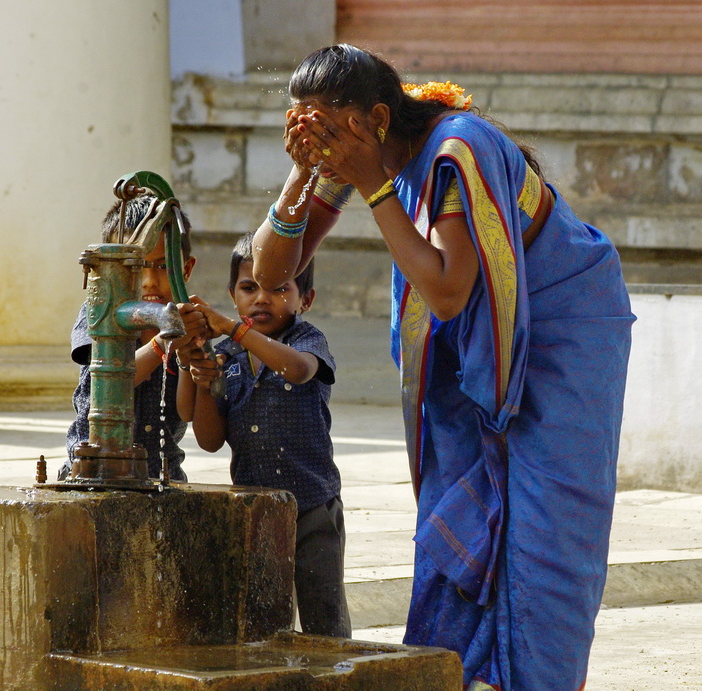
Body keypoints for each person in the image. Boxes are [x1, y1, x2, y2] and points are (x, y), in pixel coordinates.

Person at [251, 44, 635, 689]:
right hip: (462, 340)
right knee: (456, 503)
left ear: (377, 118)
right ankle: (458, 673)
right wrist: (303, 172)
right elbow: (270, 272)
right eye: (305, 129)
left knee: (547, 526)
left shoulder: (458, 148)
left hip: (563, 327)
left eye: (327, 130)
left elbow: (449, 291)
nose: (321, 143)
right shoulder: (354, 149)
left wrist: (371, 182)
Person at [176, 232, 350, 638]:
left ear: (306, 299)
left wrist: (233, 329)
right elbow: (207, 438)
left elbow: (299, 371)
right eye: (249, 288)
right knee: (261, 621)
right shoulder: (227, 357)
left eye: (279, 289)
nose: (261, 299)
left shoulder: (306, 340)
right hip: (256, 513)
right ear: (232, 295)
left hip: (313, 507)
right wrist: (197, 372)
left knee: (324, 618)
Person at [62, 195, 207, 482]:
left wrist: (190, 359)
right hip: (93, 471)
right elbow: (109, 382)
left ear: (186, 269)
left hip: (162, 474)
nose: (149, 281)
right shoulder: (99, 311)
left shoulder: (189, 322)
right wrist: (161, 345)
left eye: (163, 266)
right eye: (135, 266)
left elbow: (188, 412)